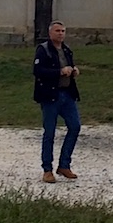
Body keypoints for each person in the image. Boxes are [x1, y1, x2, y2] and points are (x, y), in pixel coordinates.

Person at [33, 20, 80, 182]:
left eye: (63, 31)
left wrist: (73, 70)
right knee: (50, 133)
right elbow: (38, 71)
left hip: (67, 95)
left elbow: (69, 66)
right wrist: (59, 71)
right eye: (58, 31)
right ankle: (47, 169)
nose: (61, 33)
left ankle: (64, 165)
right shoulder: (43, 50)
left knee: (75, 127)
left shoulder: (67, 50)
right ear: (50, 33)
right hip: (50, 96)